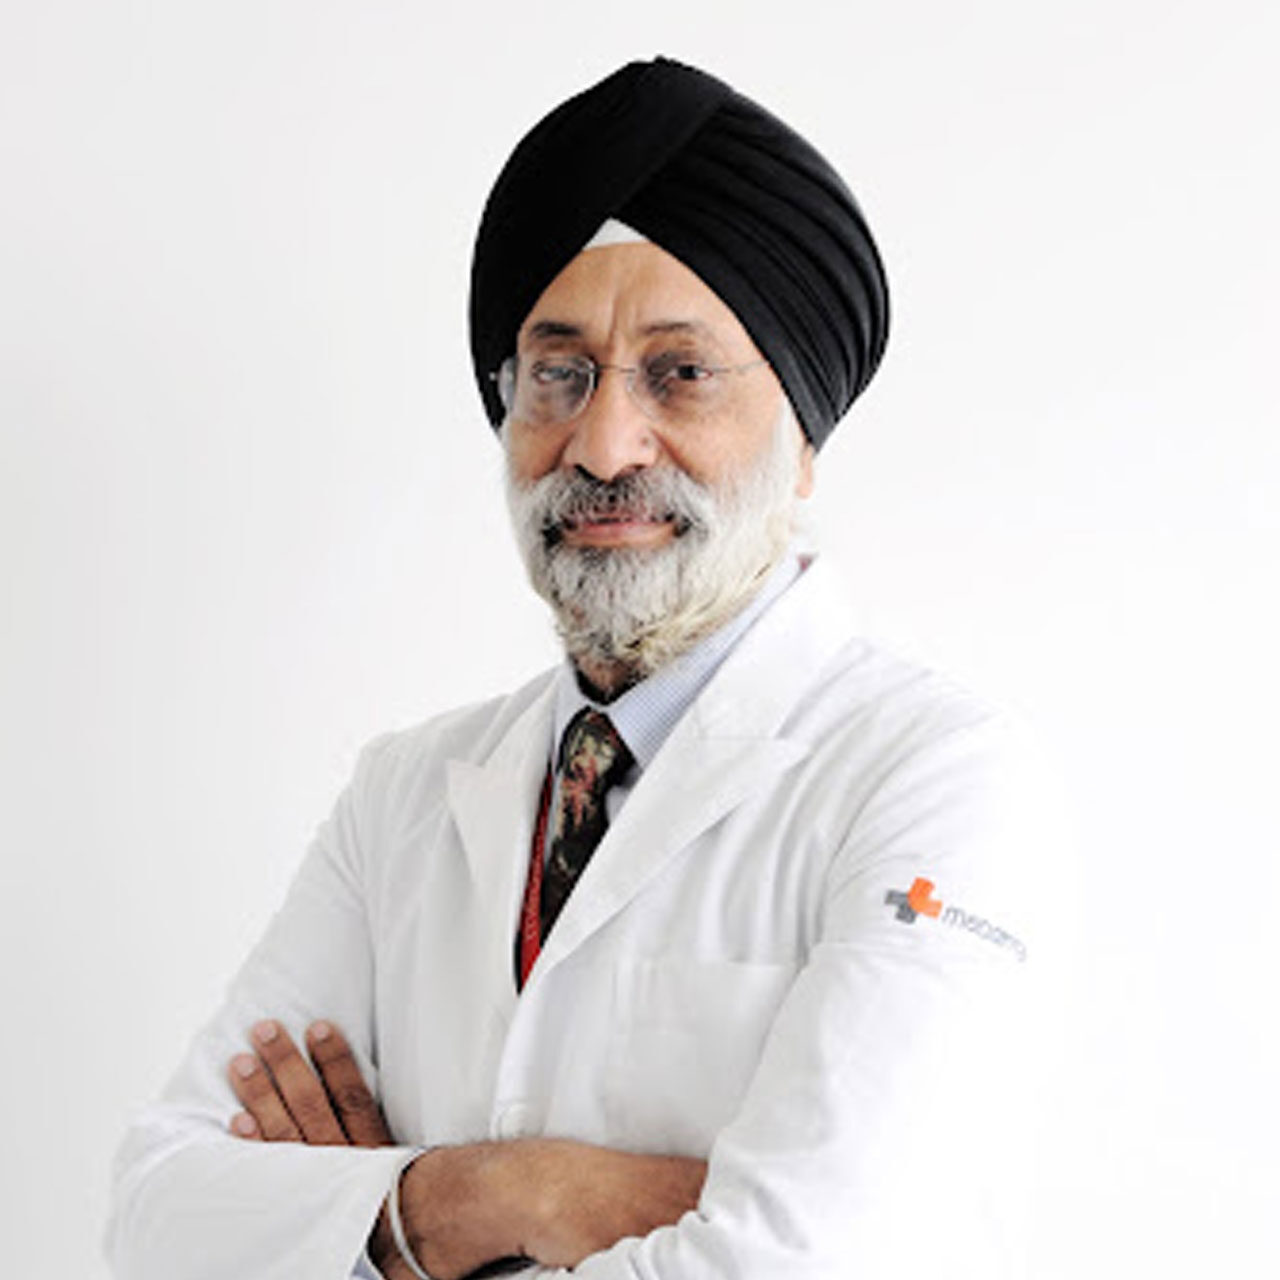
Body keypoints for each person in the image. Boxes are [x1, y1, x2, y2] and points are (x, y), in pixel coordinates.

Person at [107, 57, 1051, 1280]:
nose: (603, 445)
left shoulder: (932, 777)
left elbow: (812, 1259)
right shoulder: (401, 793)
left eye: (679, 373)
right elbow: (157, 1220)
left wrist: (363, 1224)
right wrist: (499, 1191)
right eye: (557, 374)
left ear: (802, 435)